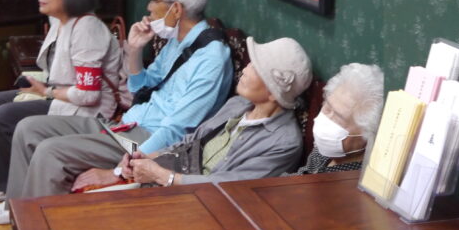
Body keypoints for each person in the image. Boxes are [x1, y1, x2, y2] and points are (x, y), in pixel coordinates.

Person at [0, 0, 232, 227]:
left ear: (176, 9)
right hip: (127, 125)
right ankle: (16, 212)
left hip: (145, 139)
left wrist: (120, 171)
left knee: (50, 151)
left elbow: (176, 130)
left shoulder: (211, 58)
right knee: (28, 128)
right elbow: (139, 88)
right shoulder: (177, 42)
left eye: (154, 0)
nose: (149, 8)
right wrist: (134, 50)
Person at [0, 0, 124, 205]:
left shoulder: (87, 28)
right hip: (63, 97)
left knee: (4, 116)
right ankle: (4, 183)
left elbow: (88, 95)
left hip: (88, 110)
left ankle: (15, 194)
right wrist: (41, 87)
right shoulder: (60, 22)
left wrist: (47, 92)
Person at [84, 36, 312, 189]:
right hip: (176, 174)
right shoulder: (238, 105)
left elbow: (230, 186)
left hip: (203, 202)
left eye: (256, 68)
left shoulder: (283, 142)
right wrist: (145, 157)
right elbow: (190, 141)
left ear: (273, 92)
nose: (245, 69)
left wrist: (162, 176)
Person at [295, 62, 384, 175]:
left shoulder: (359, 177)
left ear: (366, 136)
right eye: (327, 108)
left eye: (339, 118)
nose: (326, 121)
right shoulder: (326, 150)